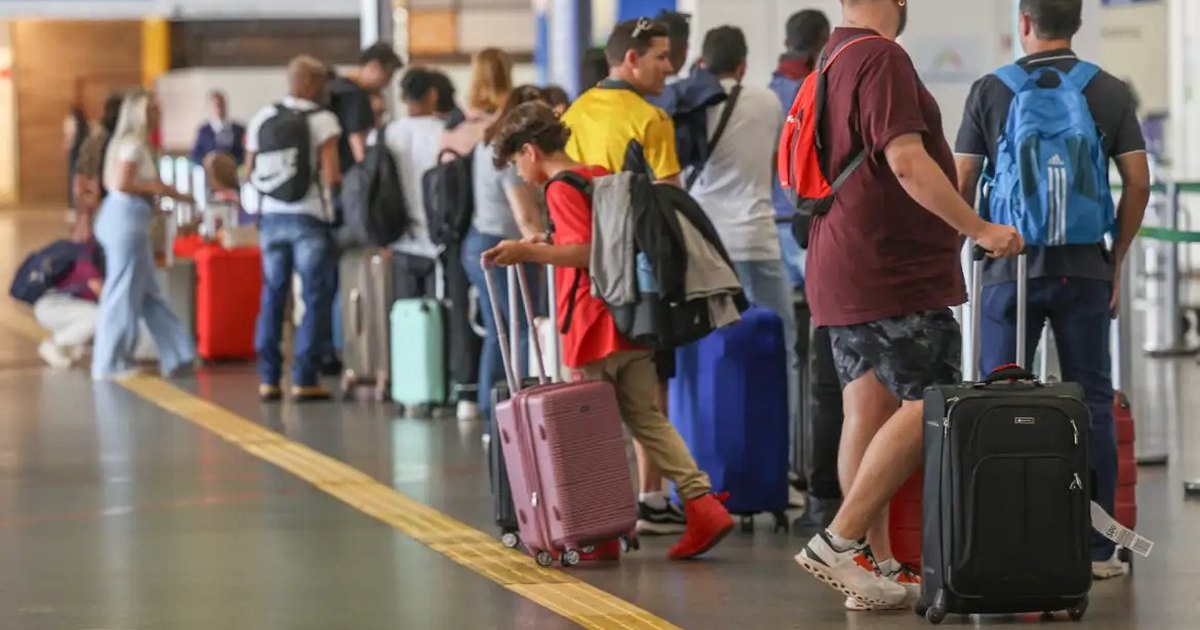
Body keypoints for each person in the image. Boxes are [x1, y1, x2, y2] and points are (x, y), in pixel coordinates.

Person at [790, 0, 1022, 610]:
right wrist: (978, 227)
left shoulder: (830, 57)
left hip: (838, 260)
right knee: (935, 401)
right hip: (889, 266)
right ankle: (840, 541)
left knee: (865, 407)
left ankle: (873, 565)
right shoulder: (881, 56)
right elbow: (907, 160)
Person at [484, 101, 735, 560]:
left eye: (517, 162)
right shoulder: (596, 174)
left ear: (530, 150)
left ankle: (598, 534)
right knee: (646, 419)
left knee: (588, 430)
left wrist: (527, 252)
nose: (519, 174)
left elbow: (584, 251)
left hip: (590, 324)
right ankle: (702, 504)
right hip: (629, 320)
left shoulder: (560, 188)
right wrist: (546, 242)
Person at [955, 0, 1151, 580]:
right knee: (1090, 400)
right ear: (1077, 24)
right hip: (1084, 268)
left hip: (1005, 266)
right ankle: (1095, 548)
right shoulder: (1109, 90)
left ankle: (999, 534)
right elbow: (1138, 181)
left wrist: (971, 246)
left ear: (1023, 22)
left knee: (998, 400)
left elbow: (963, 179)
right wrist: (1115, 257)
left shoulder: (990, 90)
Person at [561, 17, 685, 535]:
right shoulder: (650, 118)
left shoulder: (574, 112)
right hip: (640, 271)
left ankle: (594, 500)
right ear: (630, 59)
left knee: (590, 384)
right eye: (660, 56)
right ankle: (651, 495)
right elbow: (671, 198)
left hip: (582, 267)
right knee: (650, 380)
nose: (670, 66)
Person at [687, 25, 800, 440]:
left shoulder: (693, 104)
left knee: (713, 353)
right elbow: (772, 168)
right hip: (758, 241)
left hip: (707, 250)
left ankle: (717, 450)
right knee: (781, 350)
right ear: (743, 64)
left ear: (702, 62)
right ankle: (777, 454)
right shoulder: (767, 101)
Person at [245, 55, 343, 402]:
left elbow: (250, 173)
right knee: (314, 296)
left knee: (273, 294)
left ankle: (268, 379)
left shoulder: (263, 117)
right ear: (313, 84)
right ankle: (305, 377)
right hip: (309, 218)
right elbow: (331, 176)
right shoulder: (324, 121)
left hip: (271, 218)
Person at [91, 90, 198, 381]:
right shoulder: (132, 146)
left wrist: (176, 196)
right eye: (153, 110)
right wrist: (155, 191)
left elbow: (148, 184)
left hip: (132, 219)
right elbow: (123, 183)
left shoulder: (137, 146)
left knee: (149, 292)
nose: (158, 115)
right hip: (124, 222)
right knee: (121, 292)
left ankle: (179, 354)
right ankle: (111, 361)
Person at [460, 79, 547, 428]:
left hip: (477, 241)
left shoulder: (485, 143)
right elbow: (524, 215)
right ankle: (515, 413)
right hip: (504, 247)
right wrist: (544, 247)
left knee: (500, 330)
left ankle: (490, 411)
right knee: (523, 328)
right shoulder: (510, 155)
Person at [771, 9, 831, 290]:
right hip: (812, 216)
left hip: (774, 219)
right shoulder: (823, 90)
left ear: (786, 44)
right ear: (825, 40)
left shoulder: (769, 92)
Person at [383, 68, 452, 298]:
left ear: (402, 97)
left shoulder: (387, 134)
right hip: (439, 238)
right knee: (438, 317)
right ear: (433, 95)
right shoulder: (445, 133)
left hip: (399, 236)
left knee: (406, 318)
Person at [190, 90, 246, 166]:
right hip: (211, 174)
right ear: (210, 107)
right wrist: (209, 161)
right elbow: (195, 155)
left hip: (232, 173)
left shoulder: (238, 129)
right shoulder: (203, 131)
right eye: (216, 105)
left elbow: (244, 153)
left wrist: (230, 162)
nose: (219, 108)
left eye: (221, 104)